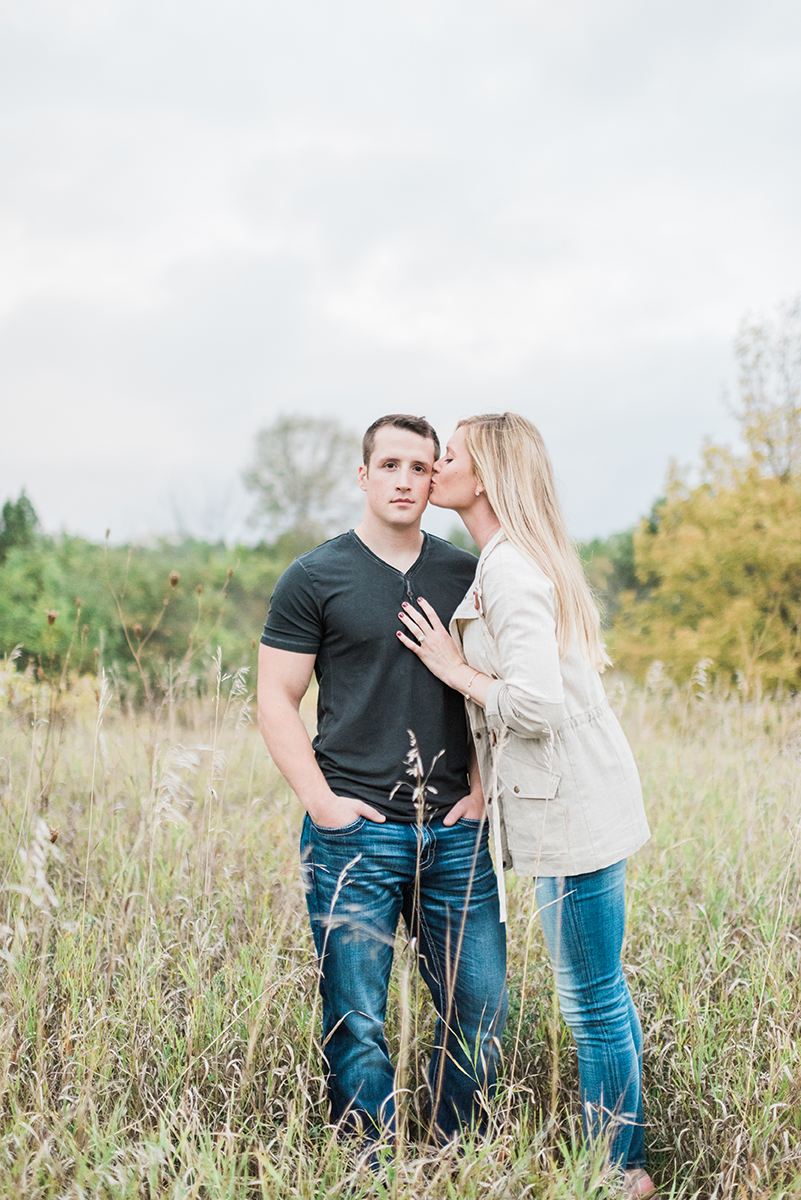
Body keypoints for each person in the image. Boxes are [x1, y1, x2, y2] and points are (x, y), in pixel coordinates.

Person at [396, 412, 656, 1197]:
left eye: (449, 457)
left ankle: (619, 1173)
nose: (434, 467)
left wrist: (450, 665)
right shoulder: (508, 558)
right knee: (602, 987)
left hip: (569, 805)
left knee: (591, 999)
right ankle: (624, 1162)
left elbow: (534, 706)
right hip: (571, 793)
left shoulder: (509, 570)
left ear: (488, 474)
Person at [257, 413, 508, 1148]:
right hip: (352, 836)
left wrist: (484, 789)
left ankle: (454, 1153)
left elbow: (499, 686)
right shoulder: (314, 576)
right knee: (356, 1020)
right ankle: (368, 1163)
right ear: (363, 476)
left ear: (437, 480)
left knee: (480, 1009)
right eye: (389, 465)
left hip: (454, 835)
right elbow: (275, 697)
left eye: (420, 467)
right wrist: (321, 804)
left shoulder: (467, 573)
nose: (404, 480)